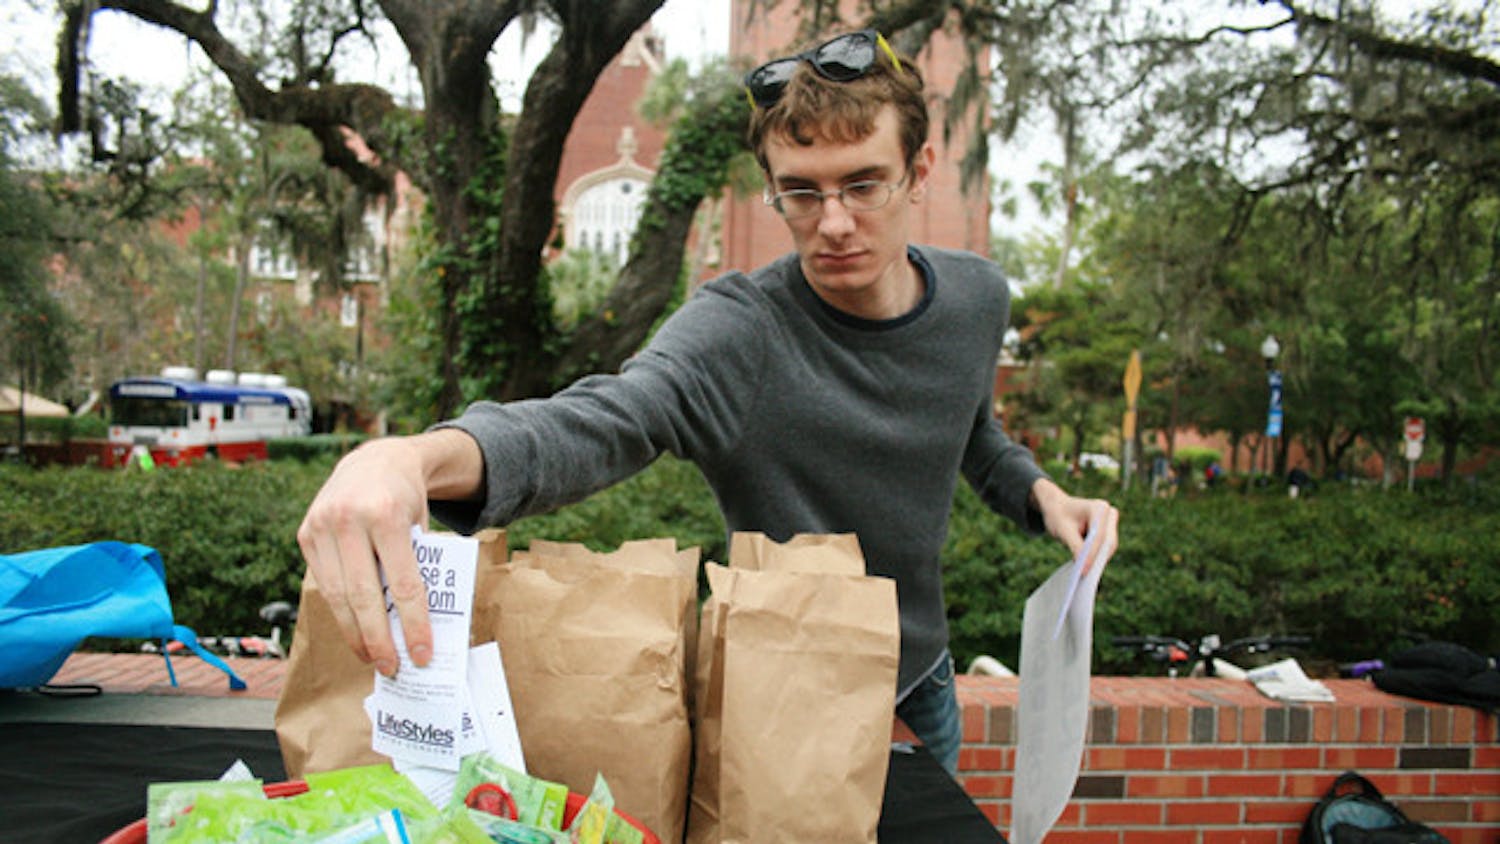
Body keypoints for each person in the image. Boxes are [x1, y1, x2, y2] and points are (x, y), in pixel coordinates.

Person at [297, 29, 1119, 775]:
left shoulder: (976, 297)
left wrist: (1044, 497)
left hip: (924, 684)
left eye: (863, 184)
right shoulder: (739, 332)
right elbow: (610, 418)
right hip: (779, 698)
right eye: (801, 192)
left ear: (919, 172)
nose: (833, 222)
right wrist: (411, 457)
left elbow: (971, 425)